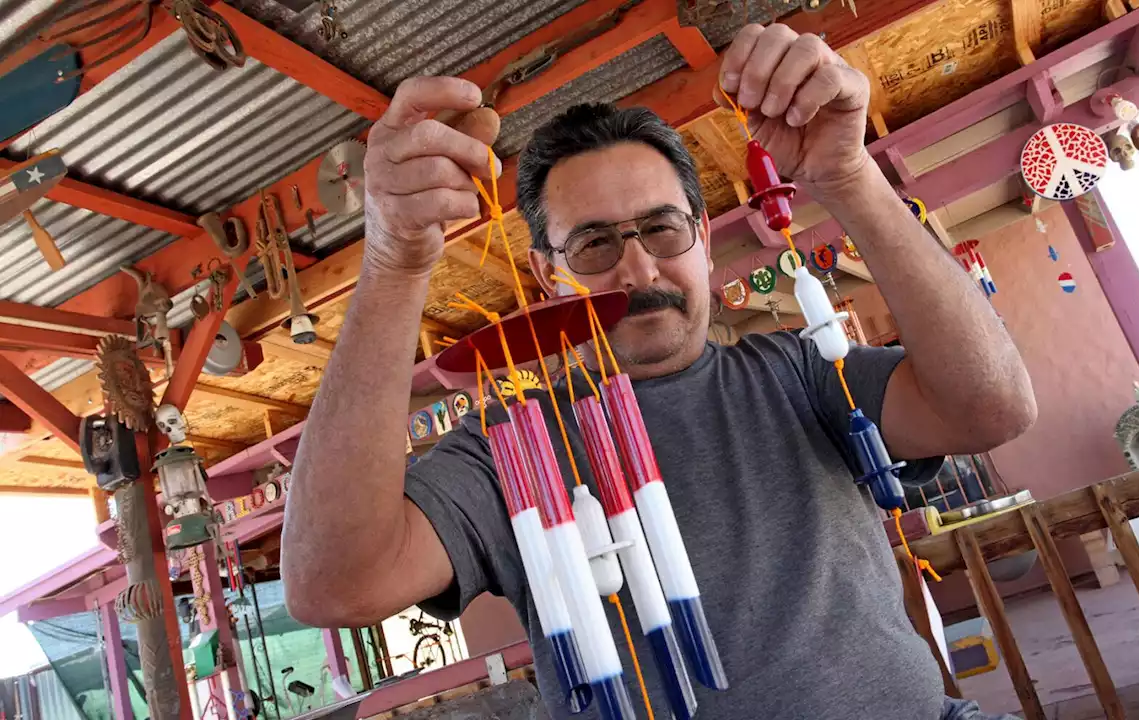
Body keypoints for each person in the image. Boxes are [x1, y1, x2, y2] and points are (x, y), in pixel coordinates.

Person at [283, 22, 1035, 720]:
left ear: (704, 242)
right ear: (550, 276)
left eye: (661, 229)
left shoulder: (802, 376)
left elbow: (993, 408)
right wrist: (391, 261)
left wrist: (848, 175)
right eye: (595, 245)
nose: (639, 267)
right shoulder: (508, 449)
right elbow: (334, 582)